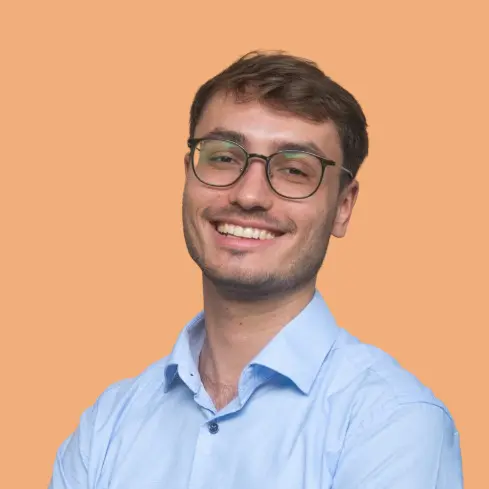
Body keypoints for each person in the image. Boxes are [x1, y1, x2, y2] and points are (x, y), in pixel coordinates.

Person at [49, 50, 463, 488]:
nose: (249, 196)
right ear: (189, 176)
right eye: (224, 158)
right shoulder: (106, 425)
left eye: (294, 170)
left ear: (343, 206)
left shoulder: (393, 423)